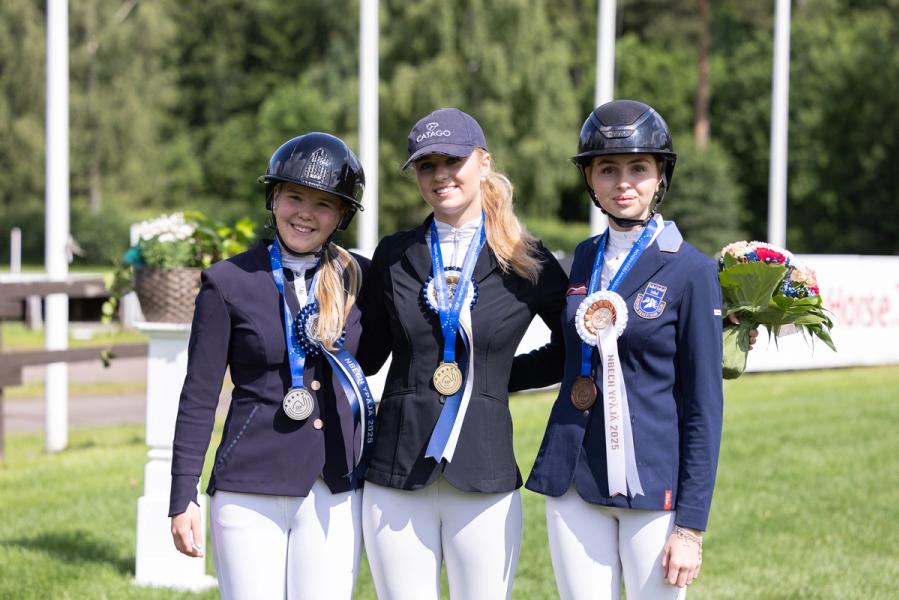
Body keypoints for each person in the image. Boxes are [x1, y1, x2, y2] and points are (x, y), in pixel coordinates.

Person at [357, 107, 568, 599]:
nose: (440, 175)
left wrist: (494, 378)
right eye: (426, 165)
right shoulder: (393, 253)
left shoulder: (527, 259)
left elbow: (572, 347)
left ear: (483, 162)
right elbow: (368, 354)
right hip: (396, 470)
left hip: (484, 471)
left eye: (452, 160)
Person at [525, 99, 724, 599]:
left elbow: (704, 407)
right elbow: (567, 356)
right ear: (590, 180)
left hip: (652, 486)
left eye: (638, 168)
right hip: (573, 476)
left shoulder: (693, 270)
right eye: (608, 169)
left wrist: (691, 527)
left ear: (660, 176)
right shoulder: (584, 257)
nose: (623, 182)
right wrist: (483, 373)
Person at [168, 132, 376, 600]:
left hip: (333, 486)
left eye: (323, 204)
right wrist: (183, 494)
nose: (305, 213)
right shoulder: (227, 281)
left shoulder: (361, 278)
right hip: (248, 484)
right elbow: (199, 395)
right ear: (274, 198)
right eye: (294, 197)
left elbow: (378, 356)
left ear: (342, 215)